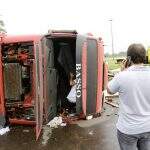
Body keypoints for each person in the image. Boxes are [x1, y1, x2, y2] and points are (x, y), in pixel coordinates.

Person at [107, 43, 150, 150]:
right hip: (147, 127)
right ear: (144, 57)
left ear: (128, 59)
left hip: (128, 129)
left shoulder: (122, 76)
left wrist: (122, 72)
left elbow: (109, 90)